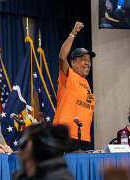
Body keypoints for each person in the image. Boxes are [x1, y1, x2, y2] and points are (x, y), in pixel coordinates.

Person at [53, 21, 96, 152]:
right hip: (66, 135)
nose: (87, 63)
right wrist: (74, 32)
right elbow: (62, 57)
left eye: (89, 60)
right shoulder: (68, 76)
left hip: (84, 136)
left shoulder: (86, 83)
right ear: (73, 62)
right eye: (83, 59)